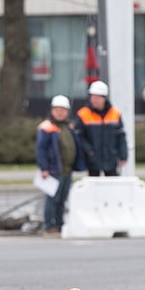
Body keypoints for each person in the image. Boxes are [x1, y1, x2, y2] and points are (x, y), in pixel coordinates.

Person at [35, 94, 85, 234]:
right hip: (53, 170)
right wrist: (44, 168)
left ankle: (59, 224)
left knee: (62, 200)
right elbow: (41, 150)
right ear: (52, 111)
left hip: (66, 170)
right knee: (52, 199)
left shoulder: (68, 128)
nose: (60, 113)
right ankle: (50, 225)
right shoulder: (47, 128)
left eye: (63, 110)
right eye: (57, 110)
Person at [74, 80, 127, 176]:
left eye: (97, 97)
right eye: (92, 97)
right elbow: (79, 136)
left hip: (111, 159)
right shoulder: (83, 114)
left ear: (104, 98)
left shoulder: (115, 113)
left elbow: (121, 136)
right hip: (92, 160)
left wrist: (123, 155)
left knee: (113, 183)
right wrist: (89, 151)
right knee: (93, 183)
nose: (94, 100)